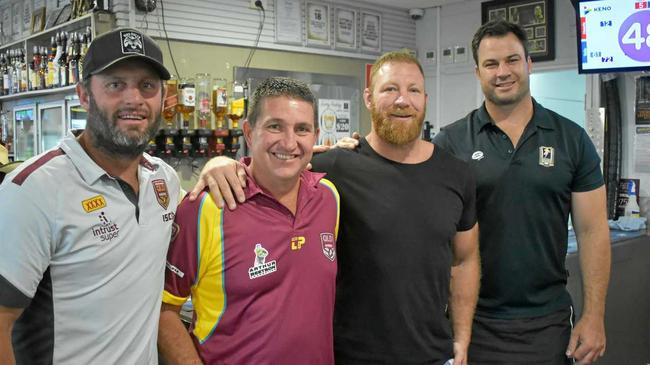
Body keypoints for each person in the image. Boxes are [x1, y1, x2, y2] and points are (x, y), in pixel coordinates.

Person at [192, 51, 480, 365]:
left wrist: (461, 341)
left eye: (413, 90)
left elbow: (464, 261)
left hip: (434, 356)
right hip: (350, 357)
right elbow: (276, 161)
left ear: (425, 98)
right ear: (369, 98)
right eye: (390, 89)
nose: (402, 100)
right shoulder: (335, 168)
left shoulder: (457, 174)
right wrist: (221, 163)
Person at [432, 20, 610, 364]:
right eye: (491, 64)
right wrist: (356, 154)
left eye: (512, 60)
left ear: (529, 63)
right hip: (472, 324)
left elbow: (592, 231)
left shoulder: (571, 139)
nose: (502, 72)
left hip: (549, 322)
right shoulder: (451, 142)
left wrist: (594, 315)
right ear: (477, 72)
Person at [0, 28, 180, 364]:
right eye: (115, 84)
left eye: (147, 86)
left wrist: (220, 166)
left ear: (162, 97)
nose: (134, 99)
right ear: (84, 95)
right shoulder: (33, 191)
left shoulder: (165, 181)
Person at [157, 77, 340, 364]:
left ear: (315, 136)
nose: (289, 142)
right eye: (275, 126)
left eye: (301, 129)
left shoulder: (329, 199)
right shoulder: (206, 207)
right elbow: (164, 308)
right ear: (249, 133)